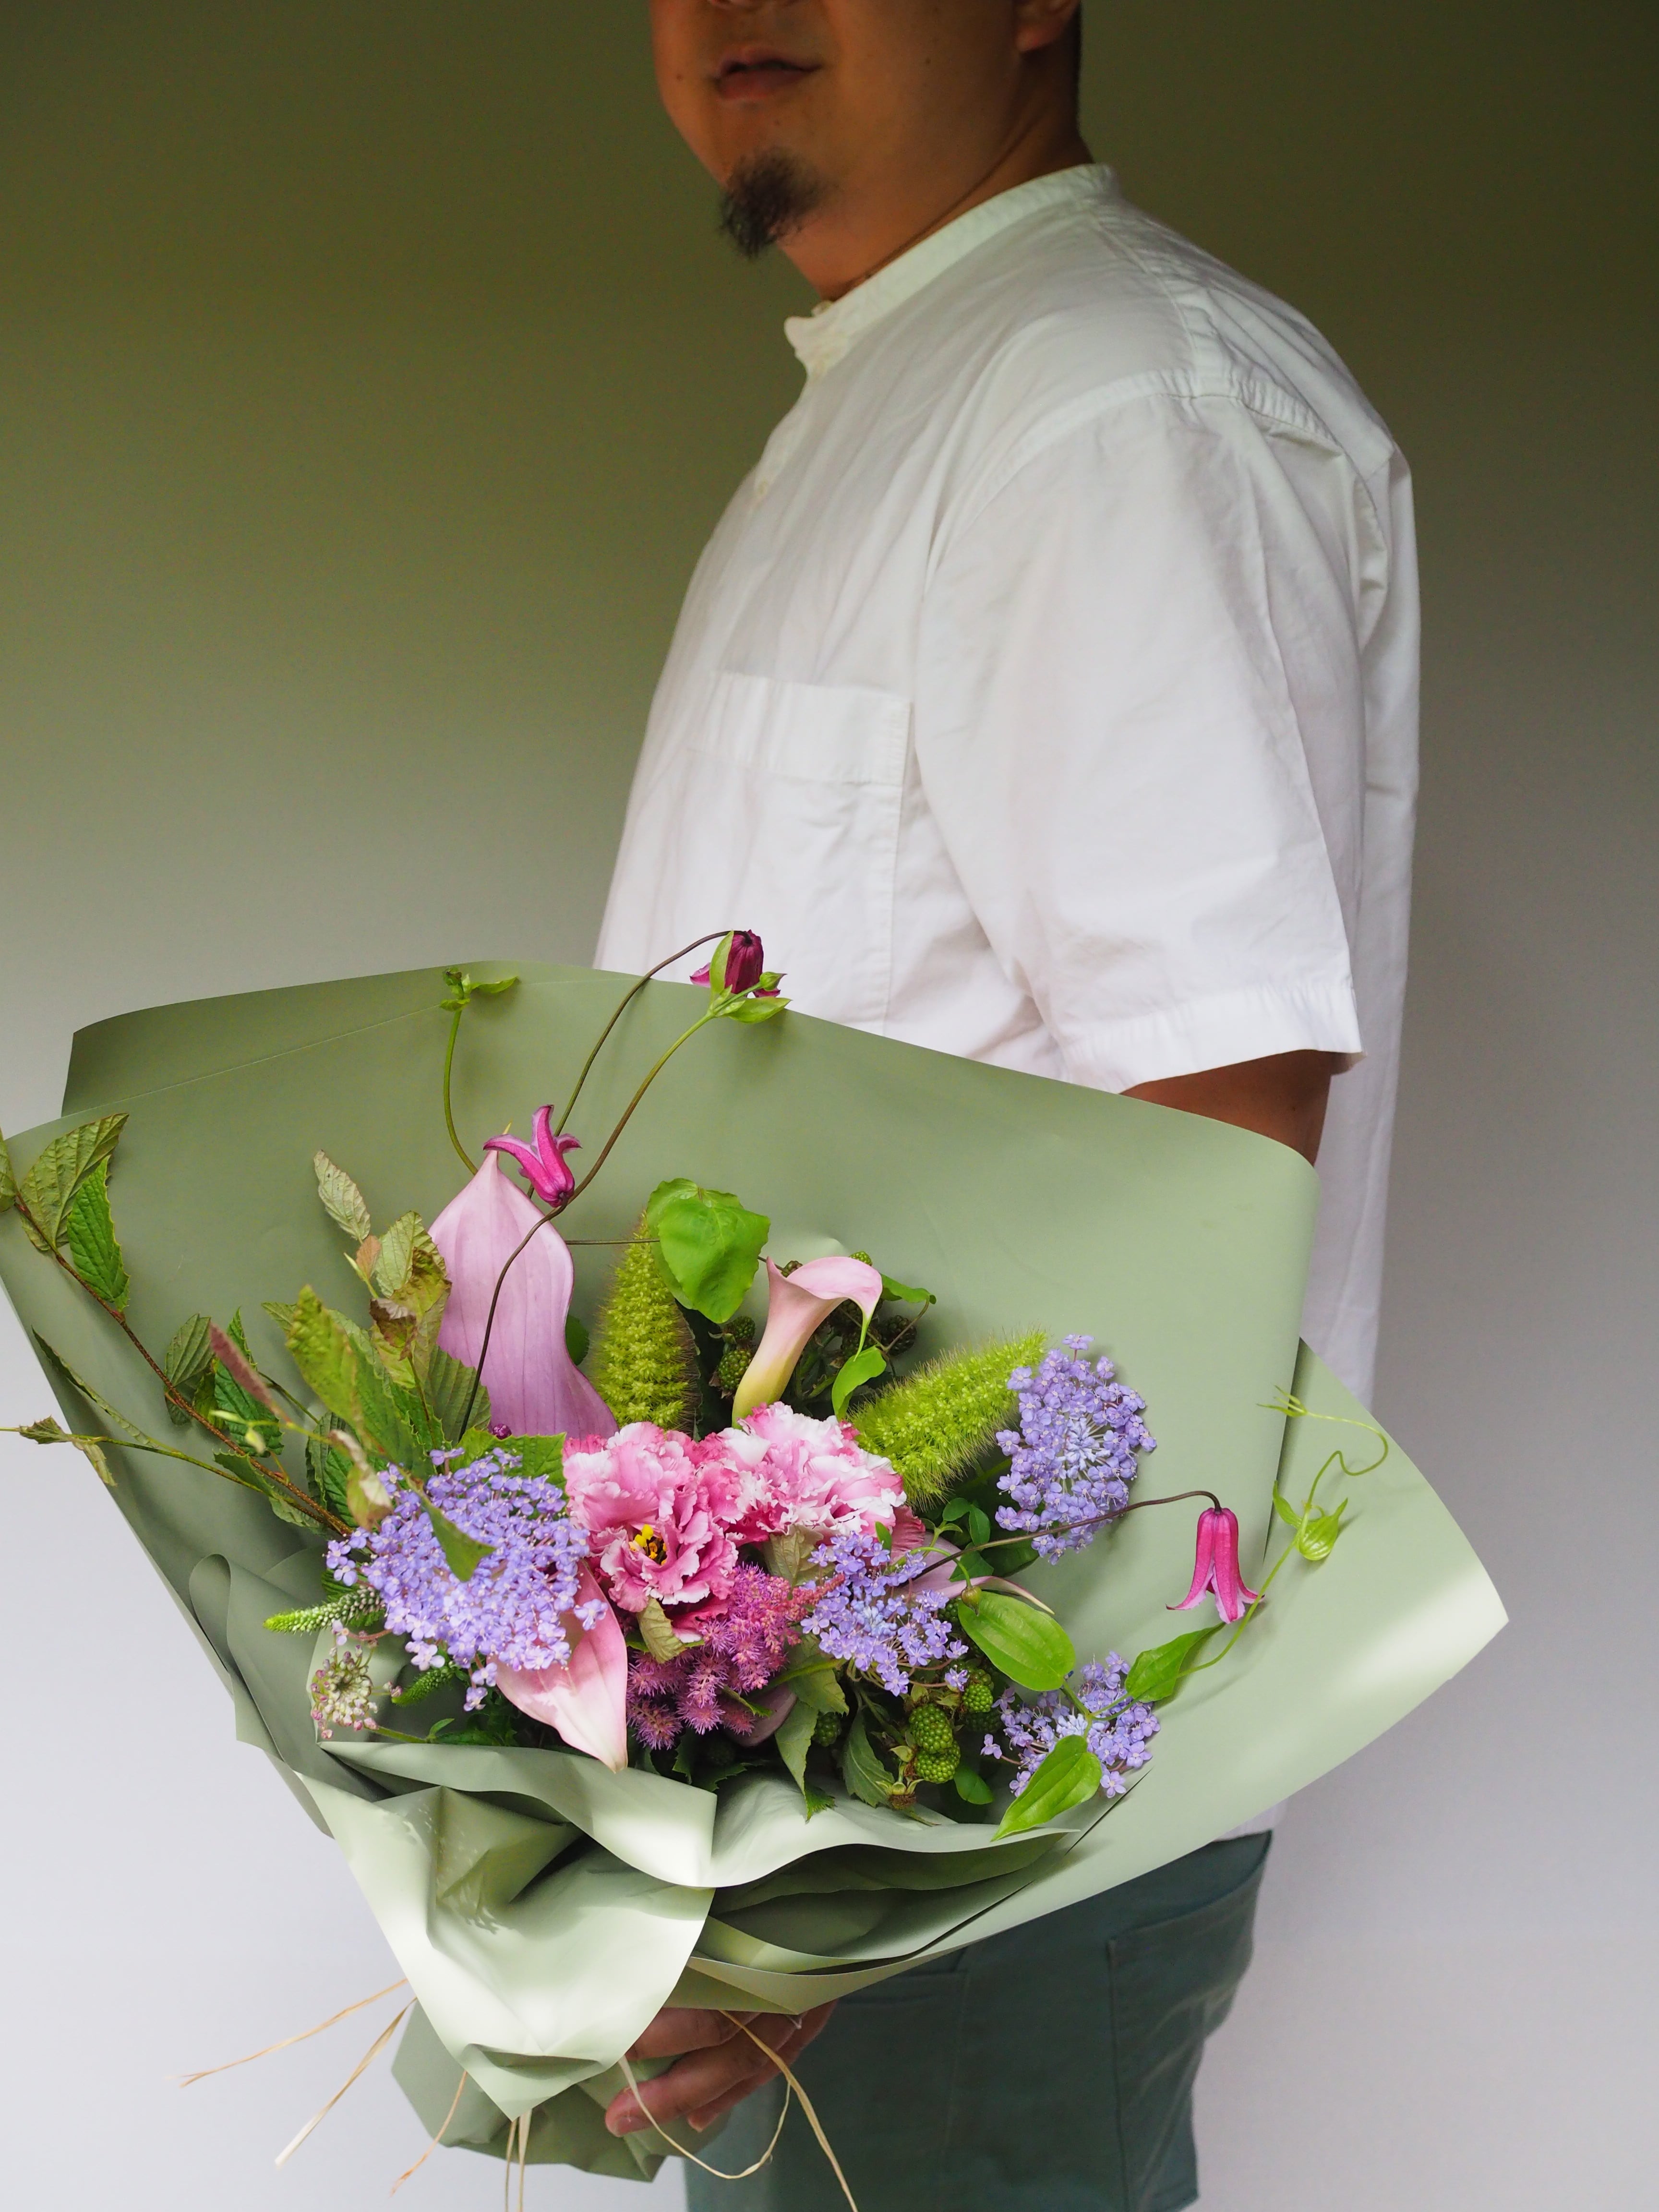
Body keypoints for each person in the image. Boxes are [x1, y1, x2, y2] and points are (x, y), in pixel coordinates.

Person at [594, 4, 1418, 2206]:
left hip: (971, 1814)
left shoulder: (1109, 405)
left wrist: (867, 1841)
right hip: (808, 1775)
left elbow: (1213, 1146)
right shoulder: (922, 382)